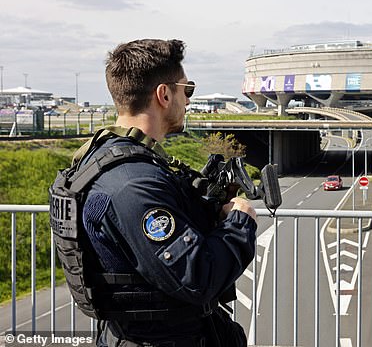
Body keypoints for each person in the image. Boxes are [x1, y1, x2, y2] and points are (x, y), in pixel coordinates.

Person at [50, 39, 257, 346]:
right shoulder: (132, 184)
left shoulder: (109, 159)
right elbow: (197, 276)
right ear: (163, 94)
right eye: (186, 90)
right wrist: (241, 222)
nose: (187, 101)